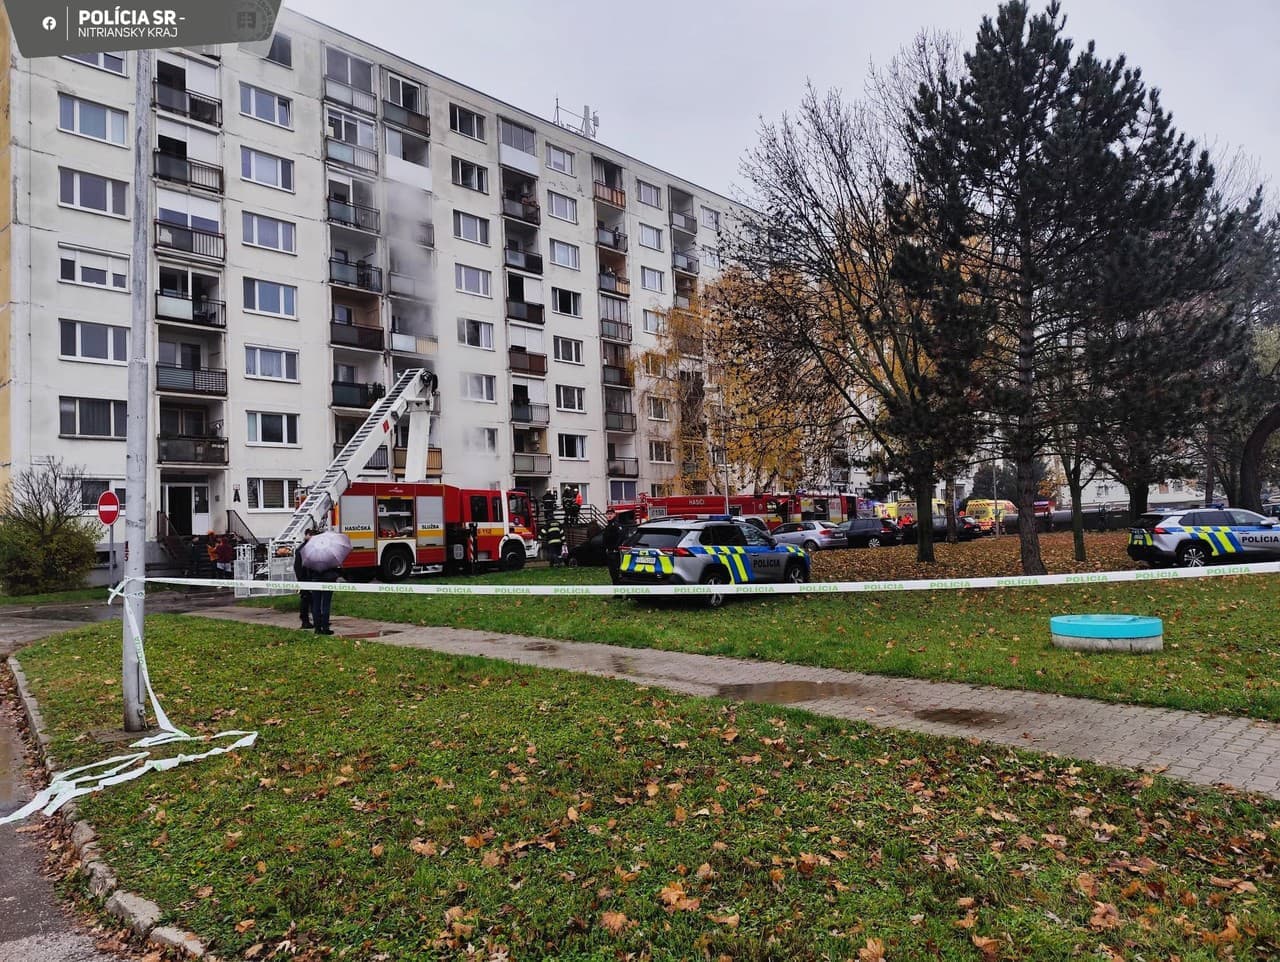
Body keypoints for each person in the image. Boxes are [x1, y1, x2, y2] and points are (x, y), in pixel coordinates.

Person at [294, 530, 314, 630]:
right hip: (306, 578)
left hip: (306, 578)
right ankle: (305, 621)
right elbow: (298, 567)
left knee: (308, 600)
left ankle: (308, 620)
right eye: (311, 535)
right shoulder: (304, 549)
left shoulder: (303, 548)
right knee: (306, 600)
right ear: (306, 535)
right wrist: (301, 579)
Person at [601, 510, 624, 584]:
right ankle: (616, 591)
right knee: (612, 573)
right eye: (607, 514)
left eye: (611, 514)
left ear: (614, 515)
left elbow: (621, 538)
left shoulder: (617, 525)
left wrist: (615, 548)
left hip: (615, 553)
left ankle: (619, 593)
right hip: (609, 552)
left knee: (616, 573)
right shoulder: (608, 526)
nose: (609, 515)